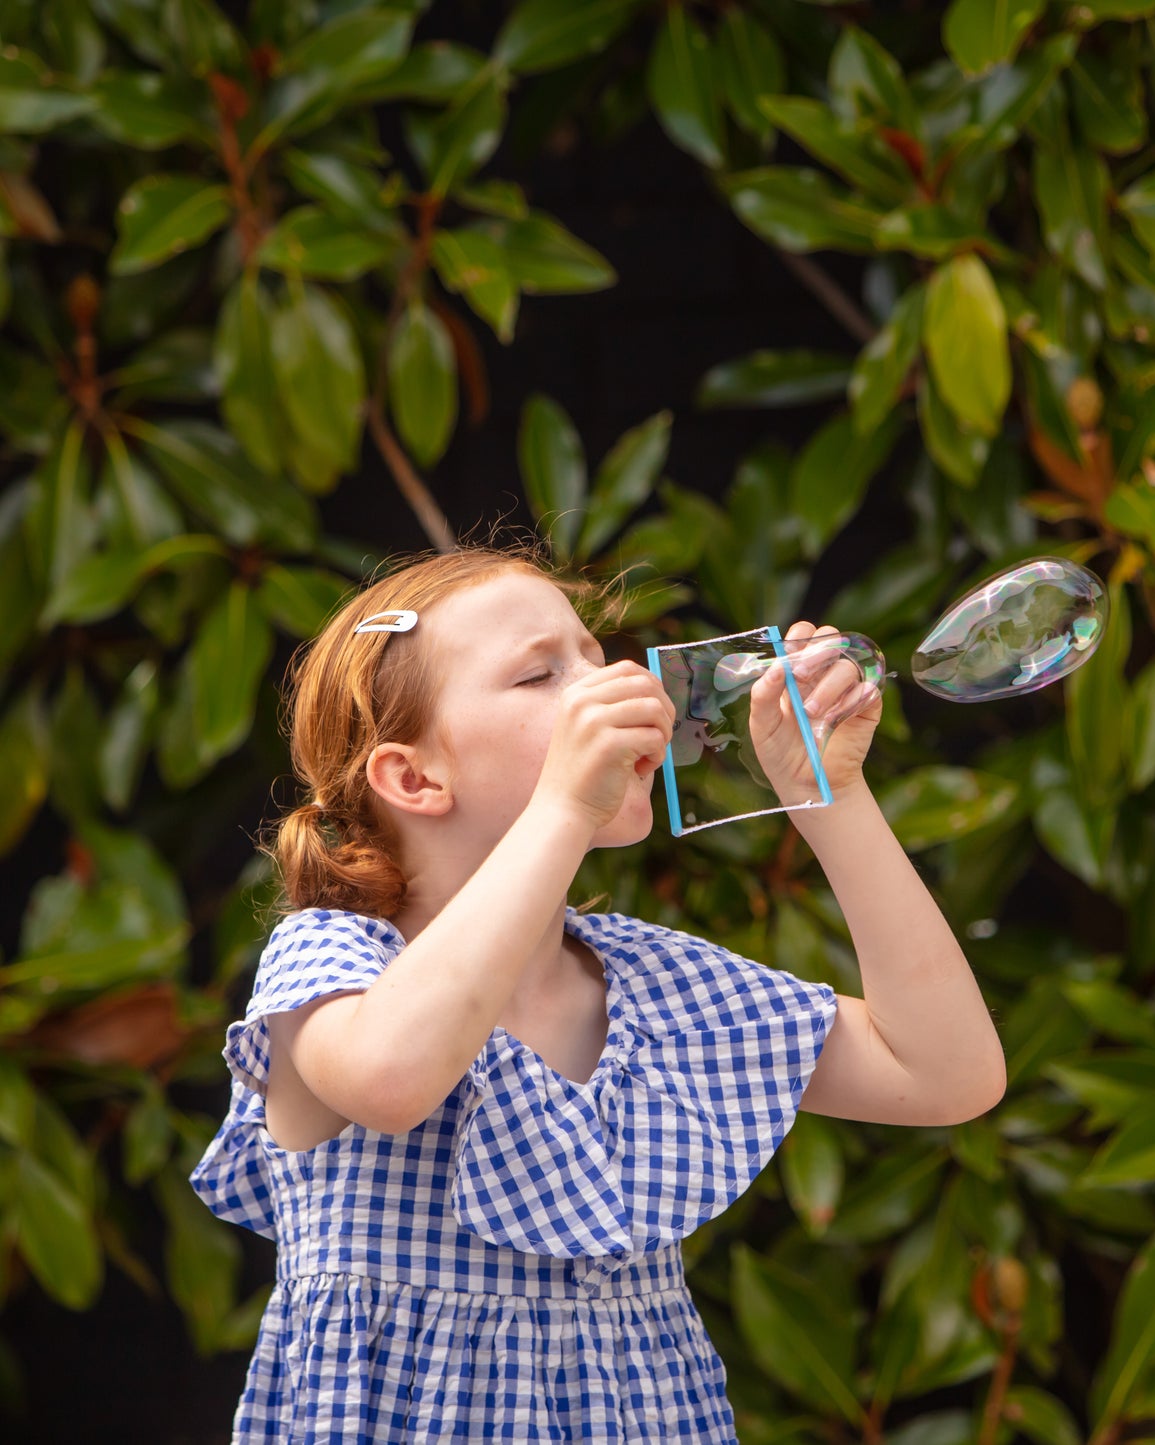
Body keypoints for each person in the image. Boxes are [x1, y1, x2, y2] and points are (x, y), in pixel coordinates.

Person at [190, 543, 1007, 1443]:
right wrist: (561, 806)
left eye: (594, 653)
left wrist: (828, 795)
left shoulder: (658, 987)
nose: (610, 684)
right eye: (540, 674)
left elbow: (943, 1072)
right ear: (414, 778)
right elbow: (392, 1077)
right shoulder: (334, 957)